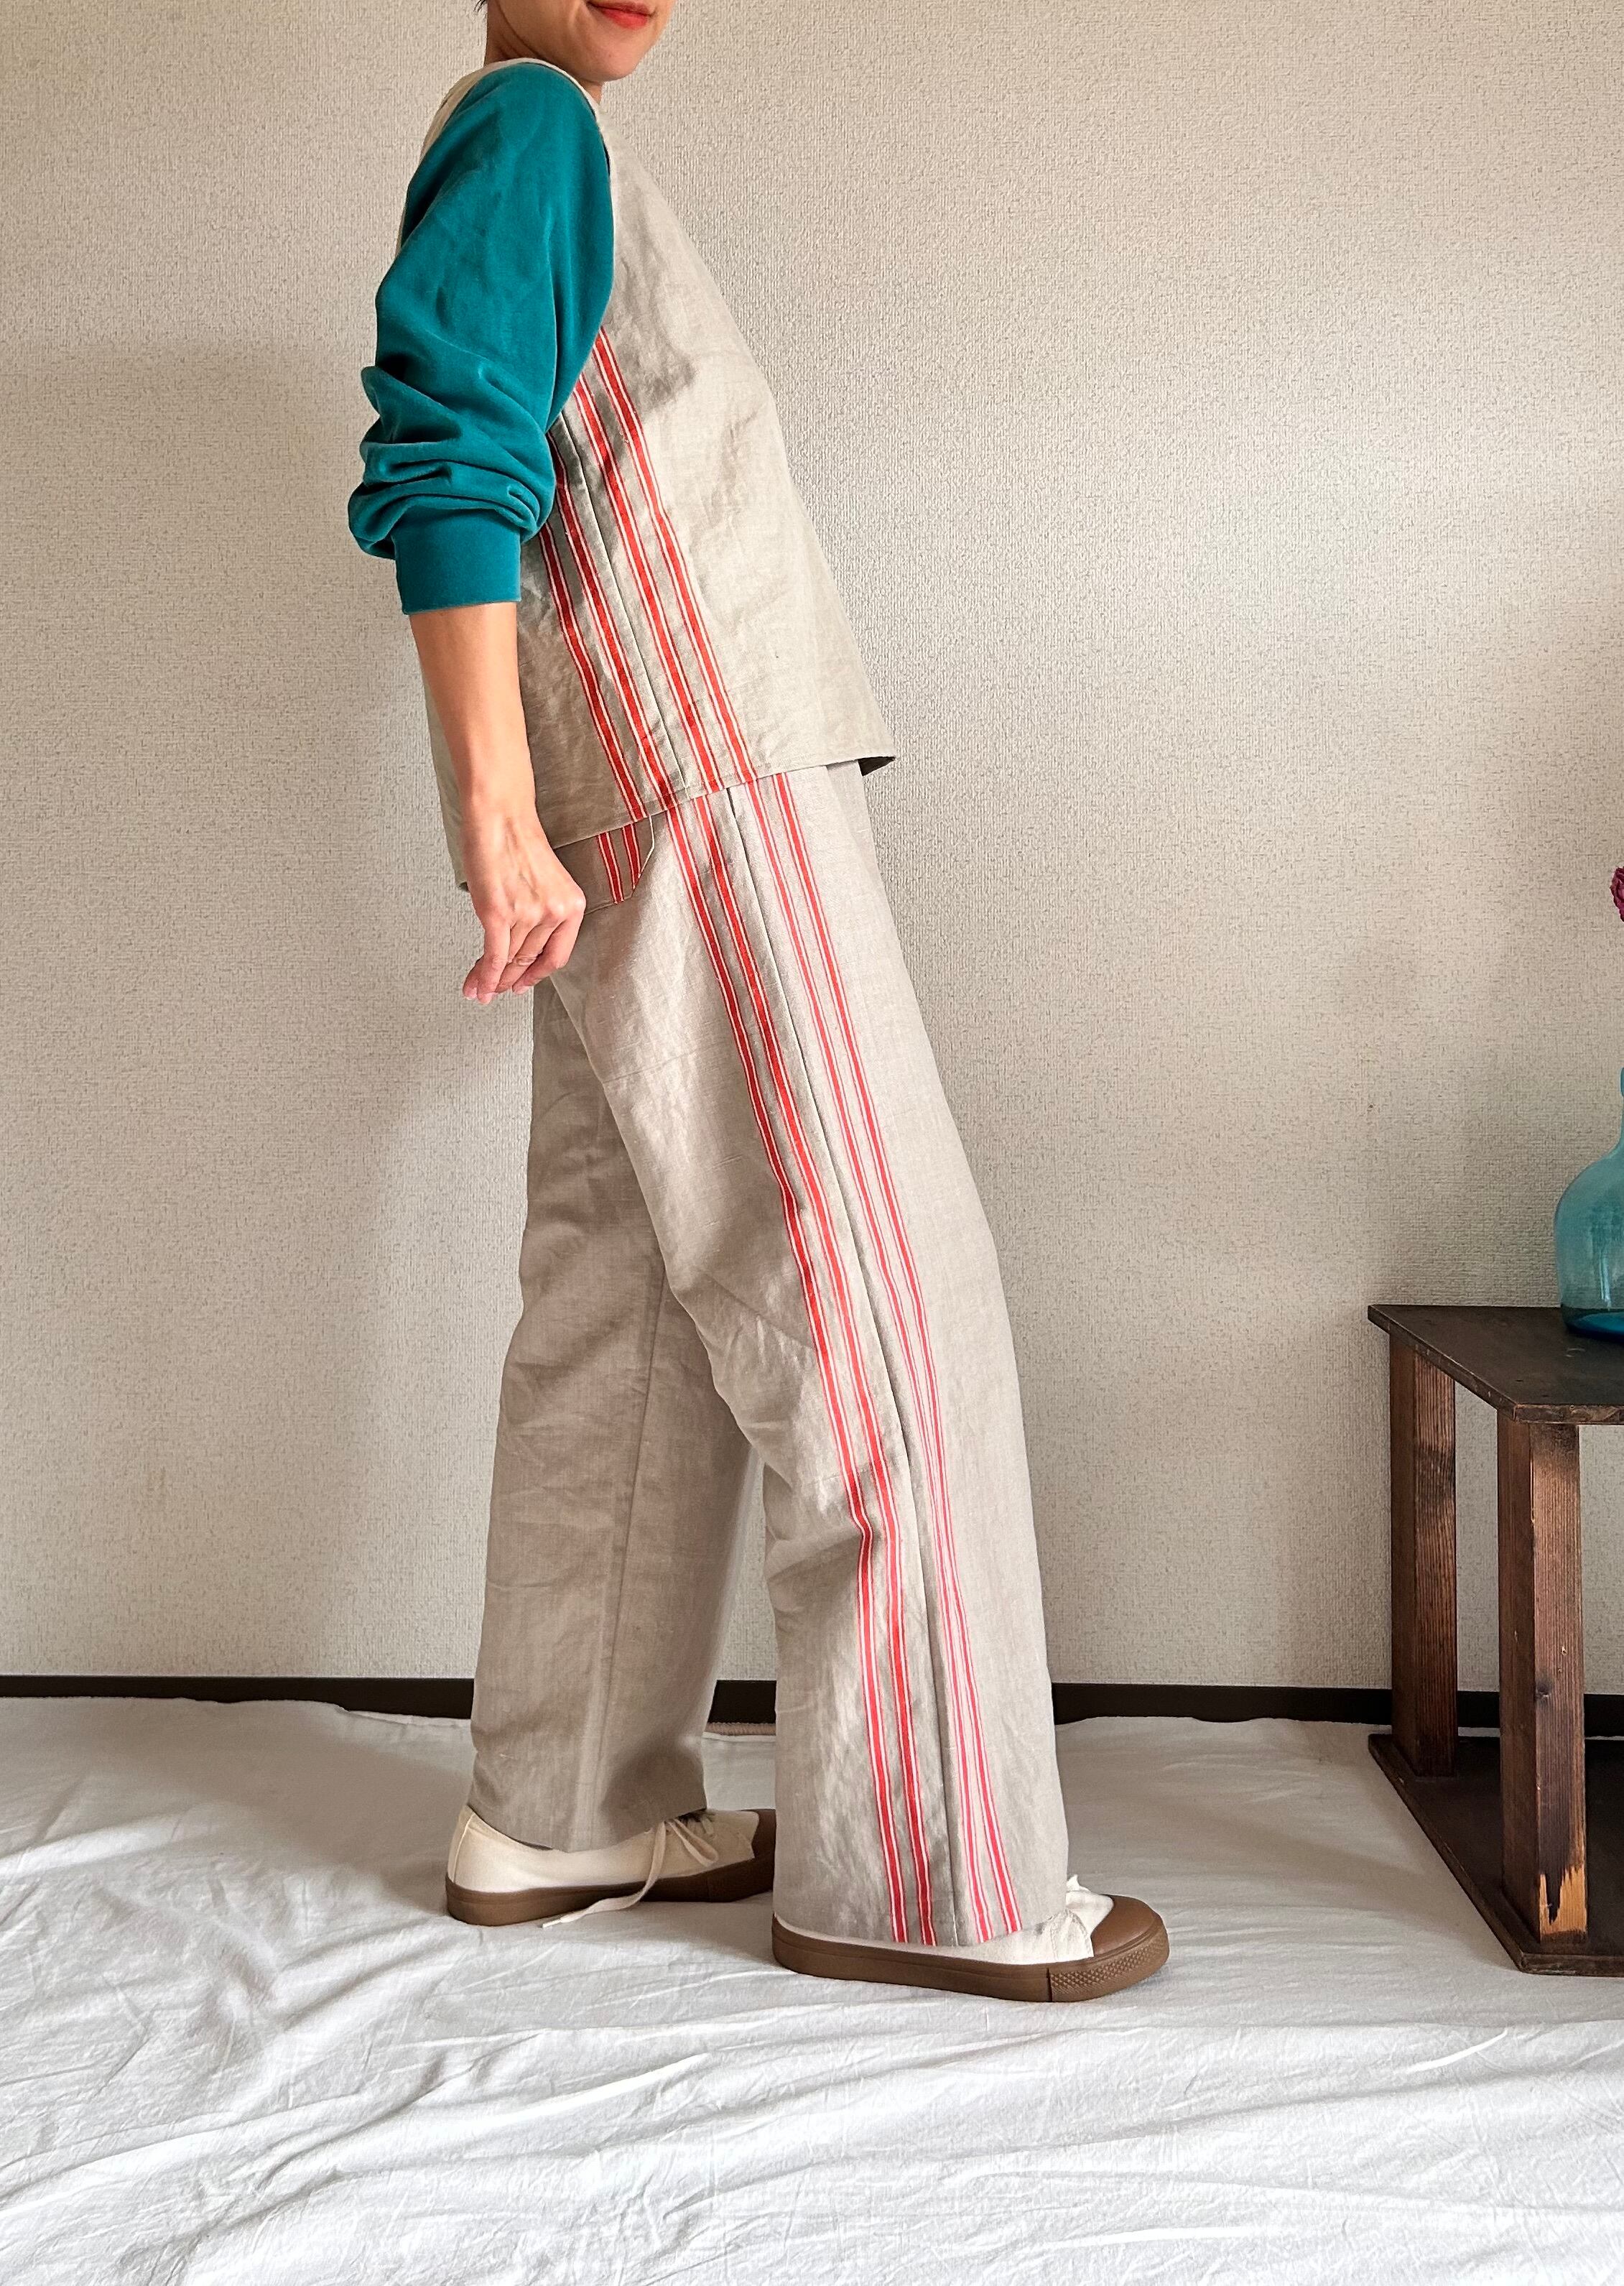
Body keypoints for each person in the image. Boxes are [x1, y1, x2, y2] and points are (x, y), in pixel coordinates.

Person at [348, 0, 1168, 2002]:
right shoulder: (533, 129)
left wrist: (531, 814)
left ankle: (560, 1807)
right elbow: (447, 456)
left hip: (640, 798)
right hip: (708, 780)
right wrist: (493, 813)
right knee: (879, 1301)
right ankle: (934, 1869)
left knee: (623, 1314)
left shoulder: (541, 144)